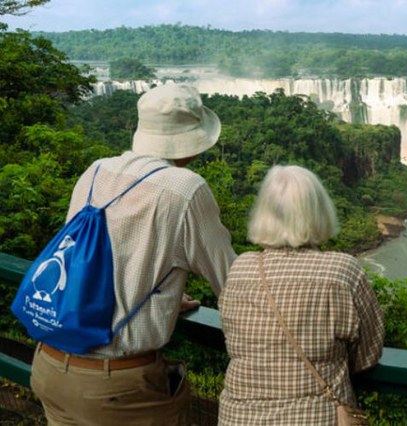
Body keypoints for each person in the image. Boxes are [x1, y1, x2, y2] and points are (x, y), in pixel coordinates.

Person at [30, 83, 237, 426]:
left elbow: (81, 265)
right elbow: (232, 283)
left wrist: (159, 299)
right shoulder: (185, 188)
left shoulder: (96, 171)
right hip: (116, 391)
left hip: (51, 368)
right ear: (192, 139)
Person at [218, 165, 384, 425]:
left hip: (240, 418)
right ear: (319, 212)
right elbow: (368, 355)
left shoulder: (240, 268)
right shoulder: (341, 272)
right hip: (318, 417)